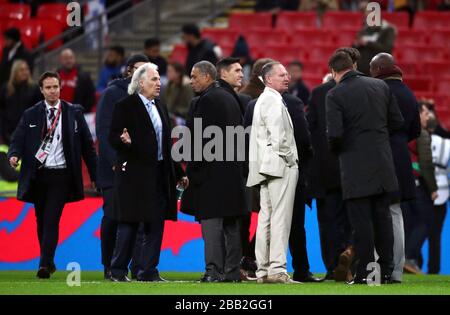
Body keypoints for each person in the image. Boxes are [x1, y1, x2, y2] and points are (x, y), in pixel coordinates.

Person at [7, 71, 97, 279]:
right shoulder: (31, 114)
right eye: (48, 87)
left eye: (55, 86)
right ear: (41, 90)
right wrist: (14, 155)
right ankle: (48, 259)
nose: (53, 90)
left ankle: (44, 264)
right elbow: (18, 139)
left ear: (60, 88)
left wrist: (95, 174)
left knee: (51, 219)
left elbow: (87, 147)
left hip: (61, 175)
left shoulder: (73, 112)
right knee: (41, 220)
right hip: (38, 175)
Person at [326, 51, 404, 284]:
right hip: (382, 163)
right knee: (383, 220)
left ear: (334, 71)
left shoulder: (334, 94)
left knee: (361, 223)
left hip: (354, 166)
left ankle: (367, 274)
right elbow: (397, 122)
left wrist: (342, 150)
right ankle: (386, 272)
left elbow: (335, 135)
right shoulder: (380, 87)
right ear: (353, 65)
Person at [108, 63, 187, 282]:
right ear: (140, 82)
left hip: (159, 174)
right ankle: (118, 270)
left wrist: (179, 173)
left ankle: (148, 270)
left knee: (156, 224)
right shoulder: (125, 105)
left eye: (159, 79)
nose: (158, 83)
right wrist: (124, 142)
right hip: (134, 175)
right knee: (130, 223)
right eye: (154, 79)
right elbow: (112, 136)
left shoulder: (160, 106)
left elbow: (165, 145)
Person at [181, 61, 247, 283]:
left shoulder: (207, 100)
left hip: (211, 174)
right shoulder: (232, 98)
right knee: (231, 225)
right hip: (233, 172)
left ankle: (213, 271)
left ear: (208, 76)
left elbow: (197, 139)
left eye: (194, 76)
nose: (191, 80)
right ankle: (231, 272)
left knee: (211, 224)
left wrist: (194, 172)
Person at [307, 47, 359, 282]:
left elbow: (310, 130)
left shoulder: (318, 93)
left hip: (325, 171)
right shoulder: (363, 90)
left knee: (327, 221)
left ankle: (331, 267)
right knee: (354, 219)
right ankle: (350, 260)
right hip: (353, 168)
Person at [95, 54, 149, 280]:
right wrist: (117, 163)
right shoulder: (112, 94)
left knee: (136, 221)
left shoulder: (147, 98)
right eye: (138, 69)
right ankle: (109, 265)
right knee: (112, 217)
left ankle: (134, 267)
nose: (141, 75)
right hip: (114, 170)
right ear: (128, 71)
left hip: (138, 170)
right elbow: (104, 132)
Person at [369, 52, 421, 283]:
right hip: (401, 157)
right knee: (395, 213)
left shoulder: (378, 91)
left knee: (377, 213)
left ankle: (378, 270)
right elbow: (416, 131)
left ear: (378, 69)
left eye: (371, 70)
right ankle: (397, 271)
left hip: (380, 155)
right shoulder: (409, 94)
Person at [247, 61, 299, 284]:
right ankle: (277, 270)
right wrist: (290, 160)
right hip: (280, 165)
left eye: (287, 74)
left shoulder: (264, 99)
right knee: (280, 218)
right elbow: (279, 138)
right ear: (268, 79)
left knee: (266, 218)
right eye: (281, 75)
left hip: (267, 166)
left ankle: (264, 271)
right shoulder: (272, 100)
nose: (287, 77)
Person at [403, 104, 438, 274]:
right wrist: (433, 188)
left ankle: (402, 258)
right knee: (426, 220)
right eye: (425, 113)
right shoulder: (422, 134)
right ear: (418, 115)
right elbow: (426, 164)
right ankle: (409, 257)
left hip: (404, 183)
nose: (428, 116)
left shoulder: (403, 133)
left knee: (407, 222)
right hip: (418, 184)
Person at [427, 110, 450, 274]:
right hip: (442, 190)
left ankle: (412, 261)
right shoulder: (447, 144)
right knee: (435, 235)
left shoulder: (418, 140)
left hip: (423, 189)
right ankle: (433, 268)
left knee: (416, 230)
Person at [0, 60, 42, 146]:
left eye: (26, 69)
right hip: (9, 134)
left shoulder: (34, 89)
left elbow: (39, 112)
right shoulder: (6, 89)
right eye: (21, 70)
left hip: (29, 134)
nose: (25, 72)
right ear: (15, 72)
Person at [353, 1, 396, 75]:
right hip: (362, 70)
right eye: (366, 12)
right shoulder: (364, 30)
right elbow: (355, 48)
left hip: (379, 70)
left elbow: (387, 49)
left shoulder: (388, 29)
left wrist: (368, 43)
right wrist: (356, 44)